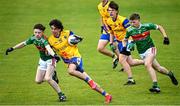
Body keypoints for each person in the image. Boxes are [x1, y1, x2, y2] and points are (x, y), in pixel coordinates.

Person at [48, 19, 112, 104]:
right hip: (68, 62)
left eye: (55, 28)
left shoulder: (67, 33)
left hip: (75, 57)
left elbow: (76, 39)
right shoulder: (50, 40)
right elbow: (52, 54)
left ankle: (90, 81)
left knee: (70, 71)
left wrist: (76, 40)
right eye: (52, 28)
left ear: (59, 29)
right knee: (90, 83)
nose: (53, 30)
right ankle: (107, 95)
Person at [5, 24, 66, 101]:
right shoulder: (33, 38)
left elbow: (48, 49)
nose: (37, 34)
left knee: (48, 78)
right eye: (35, 32)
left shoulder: (44, 40)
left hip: (51, 59)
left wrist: (54, 55)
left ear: (43, 32)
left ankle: (61, 95)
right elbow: (23, 44)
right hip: (42, 60)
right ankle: (52, 74)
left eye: (39, 32)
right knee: (38, 81)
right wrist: (12, 48)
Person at [124, 13, 178, 93]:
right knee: (158, 68)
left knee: (147, 64)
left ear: (139, 20)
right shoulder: (129, 30)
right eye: (131, 22)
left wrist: (165, 37)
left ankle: (155, 86)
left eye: (134, 22)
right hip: (142, 53)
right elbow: (125, 39)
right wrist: (127, 46)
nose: (132, 24)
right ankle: (170, 74)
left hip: (151, 49)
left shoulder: (146, 26)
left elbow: (159, 27)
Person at [106, 1, 144, 85]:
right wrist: (111, 43)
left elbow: (131, 31)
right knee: (131, 62)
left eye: (112, 10)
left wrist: (131, 42)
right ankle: (147, 61)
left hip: (127, 41)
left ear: (116, 11)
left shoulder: (123, 20)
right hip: (119, 42)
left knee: (121, 60)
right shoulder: (108, 21)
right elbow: (111, 32)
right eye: (109, 10)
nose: (110, 12)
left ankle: (131, 79)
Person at [97, 0, 119, 69]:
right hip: (105, 30)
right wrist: (101, 26)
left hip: (113, 30)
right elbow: (102, 16)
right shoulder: (99, 6)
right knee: (100, 48)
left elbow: (116, 16)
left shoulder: (110, 5)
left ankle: (126, 65)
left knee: (116, 50)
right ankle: (114, 56)